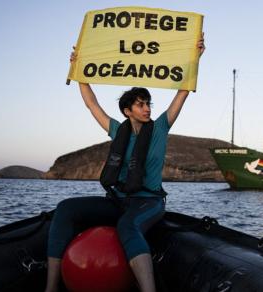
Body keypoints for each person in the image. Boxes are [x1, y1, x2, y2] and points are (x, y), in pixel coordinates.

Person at [44, 34, 205, 292]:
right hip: (117, 201)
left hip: (149, 202)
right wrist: (78, 69)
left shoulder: (161, 127)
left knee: (128, 226)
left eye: (148, 104)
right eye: (140, 105)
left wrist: (195, 57)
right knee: (65, 209)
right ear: (127, 111)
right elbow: (91, 104)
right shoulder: (117, 130)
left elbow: (183, 92)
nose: (147, 109)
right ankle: (50, 287)